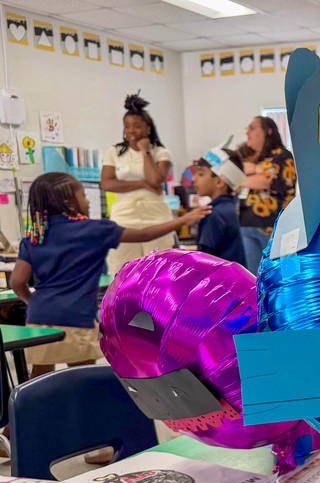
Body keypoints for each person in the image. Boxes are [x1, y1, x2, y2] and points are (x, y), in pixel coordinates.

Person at [11, 173, 210, 379]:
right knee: (81, 378)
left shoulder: (35, 237)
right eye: (83, 195)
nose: (87, 201)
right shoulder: (94, 230)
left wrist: (31, 302)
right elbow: (144, 234)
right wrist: (185, 219)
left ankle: (32, 411)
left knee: (39, 376)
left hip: (39, 318)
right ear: (69, 203)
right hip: (75, 317)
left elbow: (17, 282)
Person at [101, 92, 175, 275]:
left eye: (136, 126)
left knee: (159, 268)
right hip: (125, 215)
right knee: (122, 267)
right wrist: (142, 184)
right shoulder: (114, 152)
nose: (131, 131)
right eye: (127, 126)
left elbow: (157, 180)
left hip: (155, 214)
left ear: (147, 129)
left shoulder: (161, 153)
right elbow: (107, 183)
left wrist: (145, 152)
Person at [236, 116, 296, 274]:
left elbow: (264, 182)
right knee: (253, 276)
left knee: (278, 274)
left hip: (273, 225)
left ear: (268, 131)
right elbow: (236, 181)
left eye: (252, 127)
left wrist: (250, 174)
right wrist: (255, 173)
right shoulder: (252, 158)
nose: (247, 132)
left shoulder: (281, 155)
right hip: (247, 223)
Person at [192, 144, 247, 267]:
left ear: (219, 182)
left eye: (200, 174)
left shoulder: (213, 213)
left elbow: (204, 260)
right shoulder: (230, 207)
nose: (194, 179)